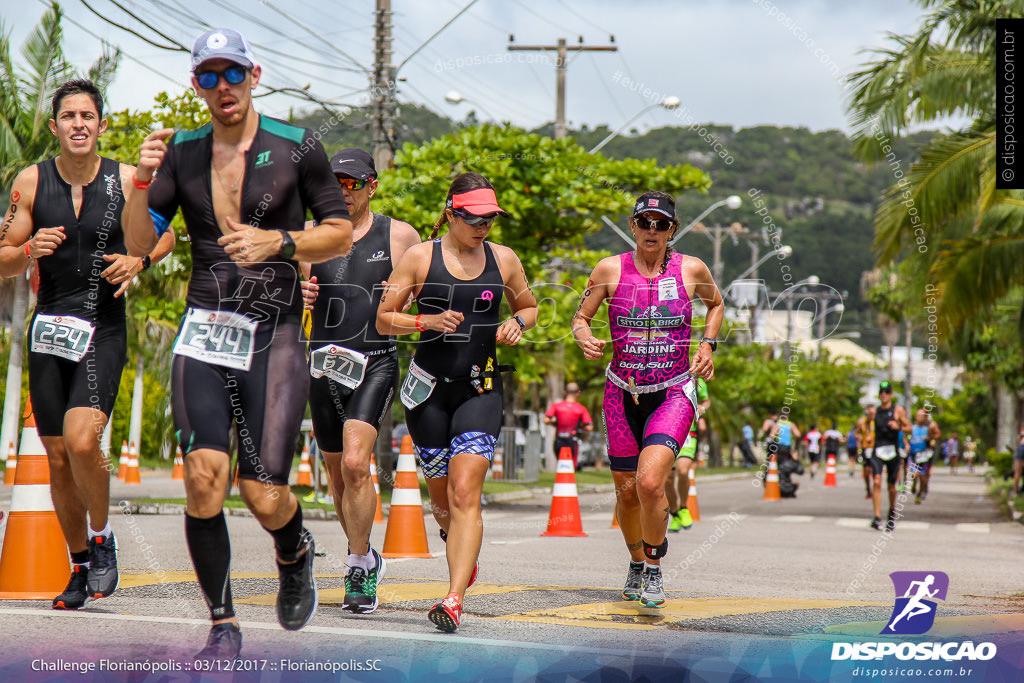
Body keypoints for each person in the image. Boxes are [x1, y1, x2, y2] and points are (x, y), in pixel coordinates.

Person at [123, 29, 352, 658]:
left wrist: (279, 243)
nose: (221, 87)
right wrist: (142, 183)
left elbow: (338, 235)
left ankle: (294, 549)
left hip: (274, 334)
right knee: (203, 476)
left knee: (262, 491)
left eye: (232, 74)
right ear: (194, 84)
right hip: (205, 327)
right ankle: (222, 624)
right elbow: (141, 245)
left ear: (254, 74)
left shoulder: (296, 145)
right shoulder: (181, 152)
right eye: (207, 77)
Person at [0, 79, 175, 611]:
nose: (79, 123)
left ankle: (101, 538)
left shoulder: (127, 179)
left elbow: (165, 233)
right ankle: (79, 565)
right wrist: (28, 247)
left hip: (103, 326)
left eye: (88, 116)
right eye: (69, 116)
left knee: (81, 441)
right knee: (55, 457)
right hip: (50, 326)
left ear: (101, 124)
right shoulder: (29, 183)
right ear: (55, 127)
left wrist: (139, 260)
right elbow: (2, 253)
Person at [377, 172, 537, 633]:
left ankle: (453, 598)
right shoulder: (418, 258)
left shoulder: (504, 259)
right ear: (451, 212)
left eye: (490, 218)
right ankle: (455, 540)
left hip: (480, 389)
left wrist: (518, 325)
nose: (483, 225)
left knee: (467, 491)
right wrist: (425, 321)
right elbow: (385, 319)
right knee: (443, 500)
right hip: (428, 391)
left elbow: (528, 306)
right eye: (474, 217)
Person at [570, 191, 724, 609]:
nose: (652, 230)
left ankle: (654, 567)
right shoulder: (609, 269)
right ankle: (636, 561)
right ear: (633, 226)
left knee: (651, 483)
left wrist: (707, 345)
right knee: (625, 493)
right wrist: (585, 338)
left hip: (673, 390)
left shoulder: (691, 268)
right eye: (645, 222)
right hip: (621, 391)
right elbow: (580, 318)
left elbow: (716, 305)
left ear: (672, 229)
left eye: (661, 224)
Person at [302, 148, 419, 614]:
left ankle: (355, 565)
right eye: (334, 183)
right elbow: (288, 299)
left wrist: (411, 307)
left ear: (372, 186)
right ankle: (365, 554)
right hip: (323, 362)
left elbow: (424, 287)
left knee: (355, 464)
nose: (342, 192)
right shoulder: (311, 234)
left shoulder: (400, 235)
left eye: (352, 184)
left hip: (375, 361)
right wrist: (300, 292)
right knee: (336, 474)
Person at [867, 381, 911, 530]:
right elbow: (865, 424)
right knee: (877, 481)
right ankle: (877, 517)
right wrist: (867, 435)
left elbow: (909, 428)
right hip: (878, 449)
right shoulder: (874, 411)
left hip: (892, 451)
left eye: (886, 392)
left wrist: (898, 427)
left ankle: (891, 512)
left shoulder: (898, 410)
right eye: (881, 392)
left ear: (891, 395)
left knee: (892, 487)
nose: (883, 395)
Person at [666, 377, 708, 531]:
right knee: (667, 480)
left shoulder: (697, 382)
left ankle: (684, 507)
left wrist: (701, 412)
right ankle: (675, 514)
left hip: (688, 435)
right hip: (667, 432)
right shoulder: (665, 375)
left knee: (683, 472)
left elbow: (706, 401)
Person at [543, 382, 594, 469]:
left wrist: (555, 424)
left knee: (561, 465)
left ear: (565, 392)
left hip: (558, 441)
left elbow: (546, 420)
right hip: (572, 441)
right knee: (570, 467)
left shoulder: (556, 406)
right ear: (578, 393)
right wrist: (580, 427)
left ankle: (562, 482)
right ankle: (568, 482)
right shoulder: (581, 409)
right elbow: (589, 427)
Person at [908, 408, 941, 504]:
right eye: (918, 415)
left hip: (925, 455)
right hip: (914, 454)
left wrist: (932, 439)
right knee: (914, 474)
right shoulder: (911, 427)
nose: (920, 418)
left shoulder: (930, 426)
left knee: (923, 476)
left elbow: (938, 435)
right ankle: (914, 485)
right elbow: (904, 436)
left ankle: (920, 492)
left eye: (922, 416)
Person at [856, 407, 875, 499]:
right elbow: (856, 433)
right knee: (867, 472)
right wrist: (859, 437)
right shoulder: (861, 422)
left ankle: (876, 489)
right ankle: (868, 489)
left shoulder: (877, 421)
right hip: (865, 448)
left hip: (876, 448)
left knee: (875, 470)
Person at [1013, 426, 1024, 496]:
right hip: (1021, 448)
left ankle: (1014, 491)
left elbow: (1018, 439)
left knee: (1017, 473)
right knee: (1018, 473)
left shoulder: (1022, 433)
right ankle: (1015, 491)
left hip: (1021, 448)